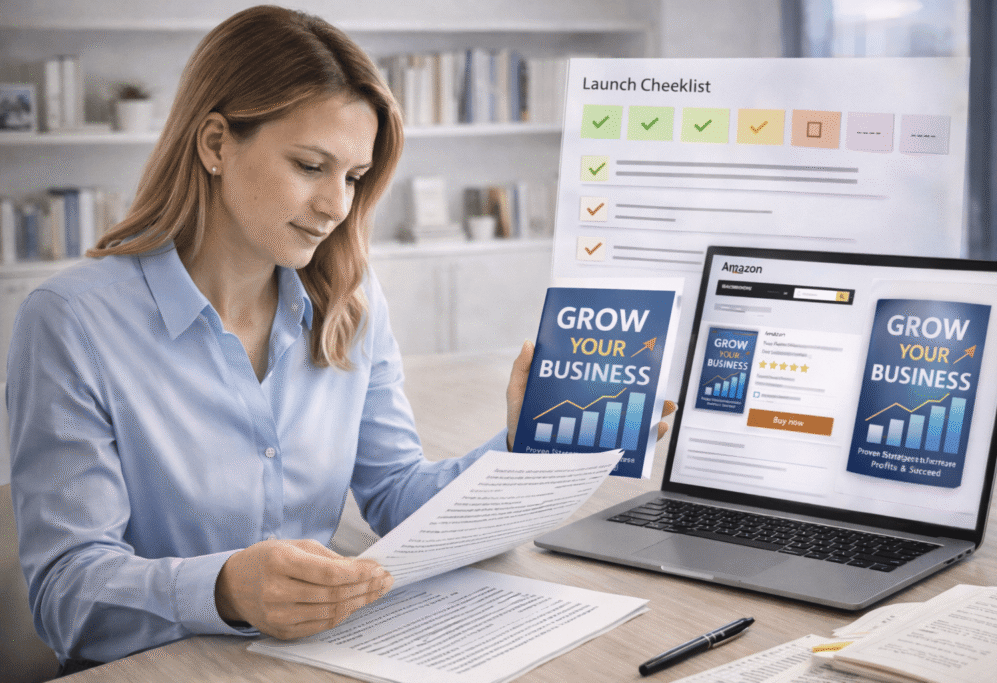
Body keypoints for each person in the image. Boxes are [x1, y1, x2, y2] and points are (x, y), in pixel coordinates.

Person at [7, 5, 673, 675]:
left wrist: (527, 442)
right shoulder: (71, 321)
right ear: (214, 144)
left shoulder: (350, 303)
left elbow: (398, 496)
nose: (337, 206)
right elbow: (65, 593)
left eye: (354, 177)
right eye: (309, 166)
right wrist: (227, 586)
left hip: (309, 662)